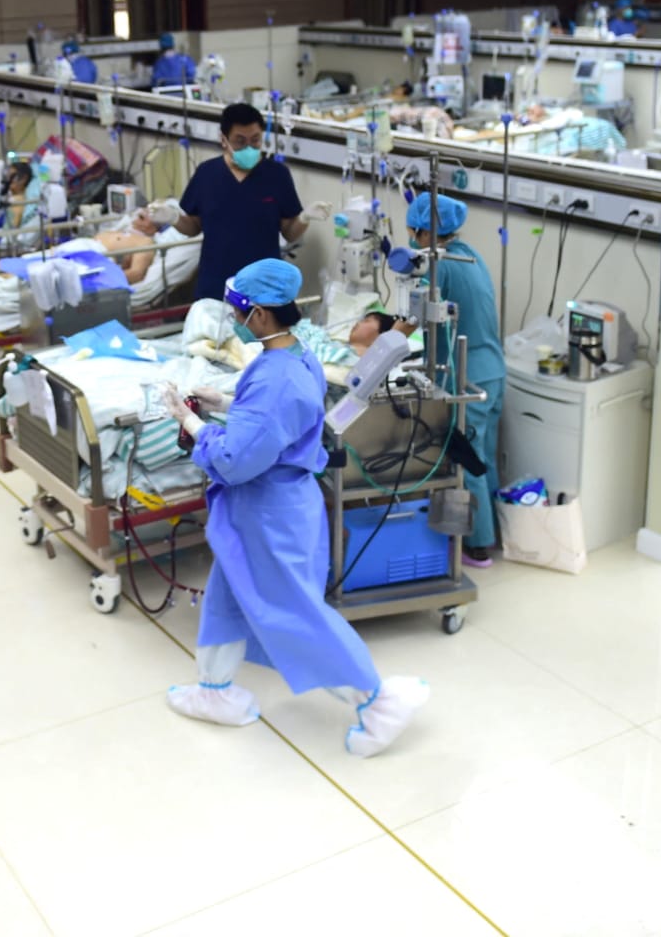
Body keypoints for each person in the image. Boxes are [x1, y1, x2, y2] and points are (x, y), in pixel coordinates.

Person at [161, 260, 427, 757]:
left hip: (269, 516)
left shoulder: (280, 376)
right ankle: (214, 690)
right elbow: (269, 419)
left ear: (260, 315)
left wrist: (192, 423)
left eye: (239, 311)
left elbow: (237, 457)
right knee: (227, 595)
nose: (234, 317)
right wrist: (222, 402)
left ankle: (378, 699)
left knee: (293, 614)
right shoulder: (289, 356)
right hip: (264, 510)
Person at [396, 194, 505, 567]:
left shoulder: (439, 266)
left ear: (424, 230)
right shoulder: (471, 255)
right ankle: (494, 529)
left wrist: (381, 346)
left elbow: (409, 321)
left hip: (465, 375)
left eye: (413, 228)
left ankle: (478, 545)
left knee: (465, 459)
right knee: (484, 455)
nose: (410, 235)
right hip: (492, 366)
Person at [140, 102, 326, 301]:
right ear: (223, 140)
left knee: (263, 331)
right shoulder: (207, 174)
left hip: (263, 283)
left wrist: (305, 218)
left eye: (255, 140)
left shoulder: (277, 175)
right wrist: (173, 217)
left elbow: (289, 233)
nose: (249, 147)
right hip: (215, 282)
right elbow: (194, 227)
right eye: (240, 141)